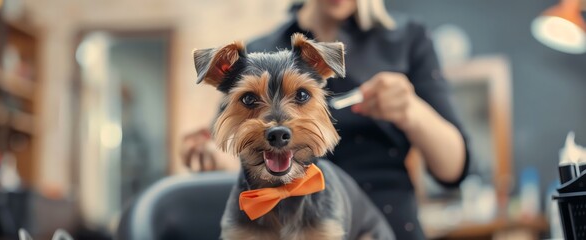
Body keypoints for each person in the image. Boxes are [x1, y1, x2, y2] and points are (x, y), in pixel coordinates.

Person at [181, 0, 470, 239]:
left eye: (302, 96)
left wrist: (411, 110)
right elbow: (233, 145)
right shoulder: (260, 49)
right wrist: (213, 156)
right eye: (250, 100)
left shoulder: (407, 38)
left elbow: (453, 170)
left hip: (384, 226)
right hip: (266, 213)